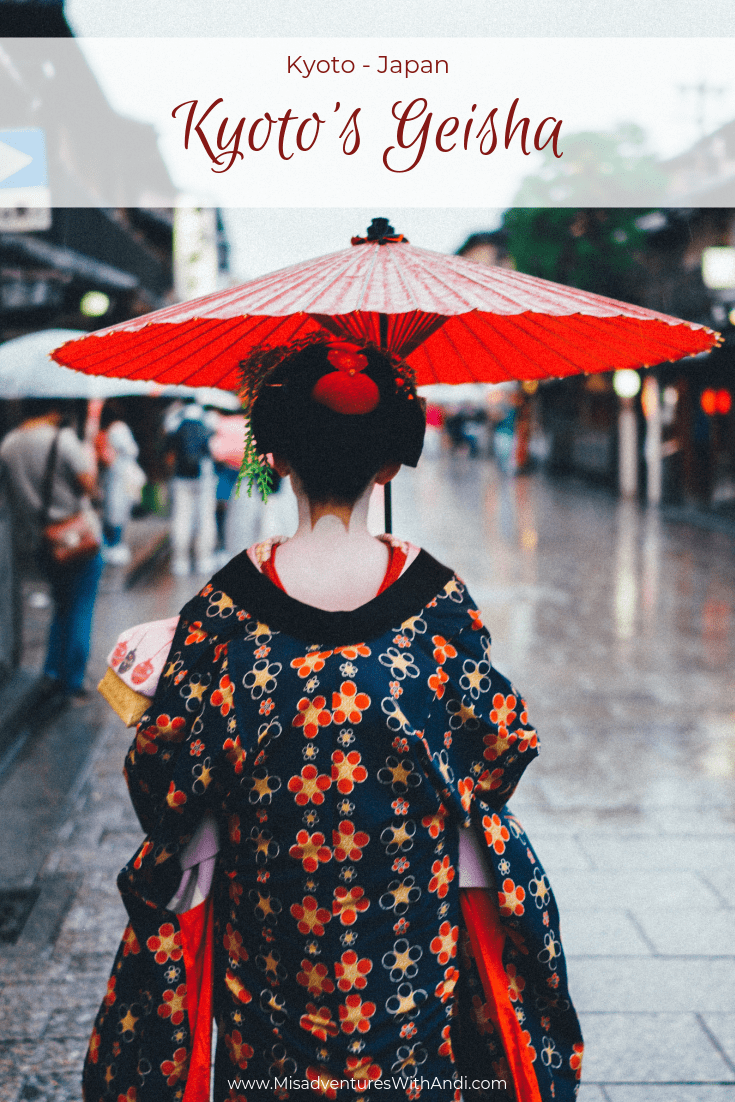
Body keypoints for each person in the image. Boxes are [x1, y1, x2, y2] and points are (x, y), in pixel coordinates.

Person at [85, 339, 583, 1101]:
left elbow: (160, 777)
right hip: (408, 931)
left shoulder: (225, 607)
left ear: (276, 456)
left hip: (269, 935)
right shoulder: (436, 601)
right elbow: (499, 748)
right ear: (388, 466)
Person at [0, 399, 103, 699]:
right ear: (53, 409)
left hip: (40, 540)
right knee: (80, 607)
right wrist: (90, 456)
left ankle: (52, 671)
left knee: (61, 604)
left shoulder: (8, 445)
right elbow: (89, 487)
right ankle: (73, 680)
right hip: (75, 537)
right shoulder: (63, 439)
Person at [165, 400, 217, 577]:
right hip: (204, 476)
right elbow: (213, 450)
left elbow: (168, 451)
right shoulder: (209, 419)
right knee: (205, 518)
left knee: (181, 517)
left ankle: (181, 561)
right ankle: (204, 559)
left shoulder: (174, 419)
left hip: (181, 477)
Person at [96, 402, 146, 565]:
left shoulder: (110, 430)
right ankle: (115, 546)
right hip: (119, 476)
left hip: (116, 475)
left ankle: (113, 546)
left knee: (114, 510)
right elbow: (133, 450)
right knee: (117, 511)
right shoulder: (118, 428)